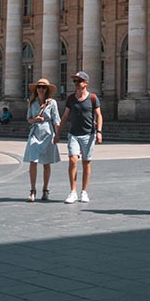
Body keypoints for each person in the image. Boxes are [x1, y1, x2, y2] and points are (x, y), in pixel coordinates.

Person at [56, 71, 103, 203]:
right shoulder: (71, 99)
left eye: (79, 81)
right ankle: (73, 191)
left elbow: (99, 115)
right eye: (75, 81)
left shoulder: (93, 98)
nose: (76, 83)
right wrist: (58, 133)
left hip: (89, 134)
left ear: (86, 83)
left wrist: (99, 132)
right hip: (73, 134)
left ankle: (84, 191)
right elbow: (65, 117)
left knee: (86, 163)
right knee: (72, 160)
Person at [23, 78, 61, 202]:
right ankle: (32, 190)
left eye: (43, 87)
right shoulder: (32, 102)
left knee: (46, 162)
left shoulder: (52, 103)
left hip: (48, 132)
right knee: (33, 161)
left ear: (47, 89)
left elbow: (56, 119)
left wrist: (57, 134)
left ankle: (45, 190)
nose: (41, 89)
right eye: (39, 87)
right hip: (35, 132)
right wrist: (35, 119)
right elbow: (28, 119)